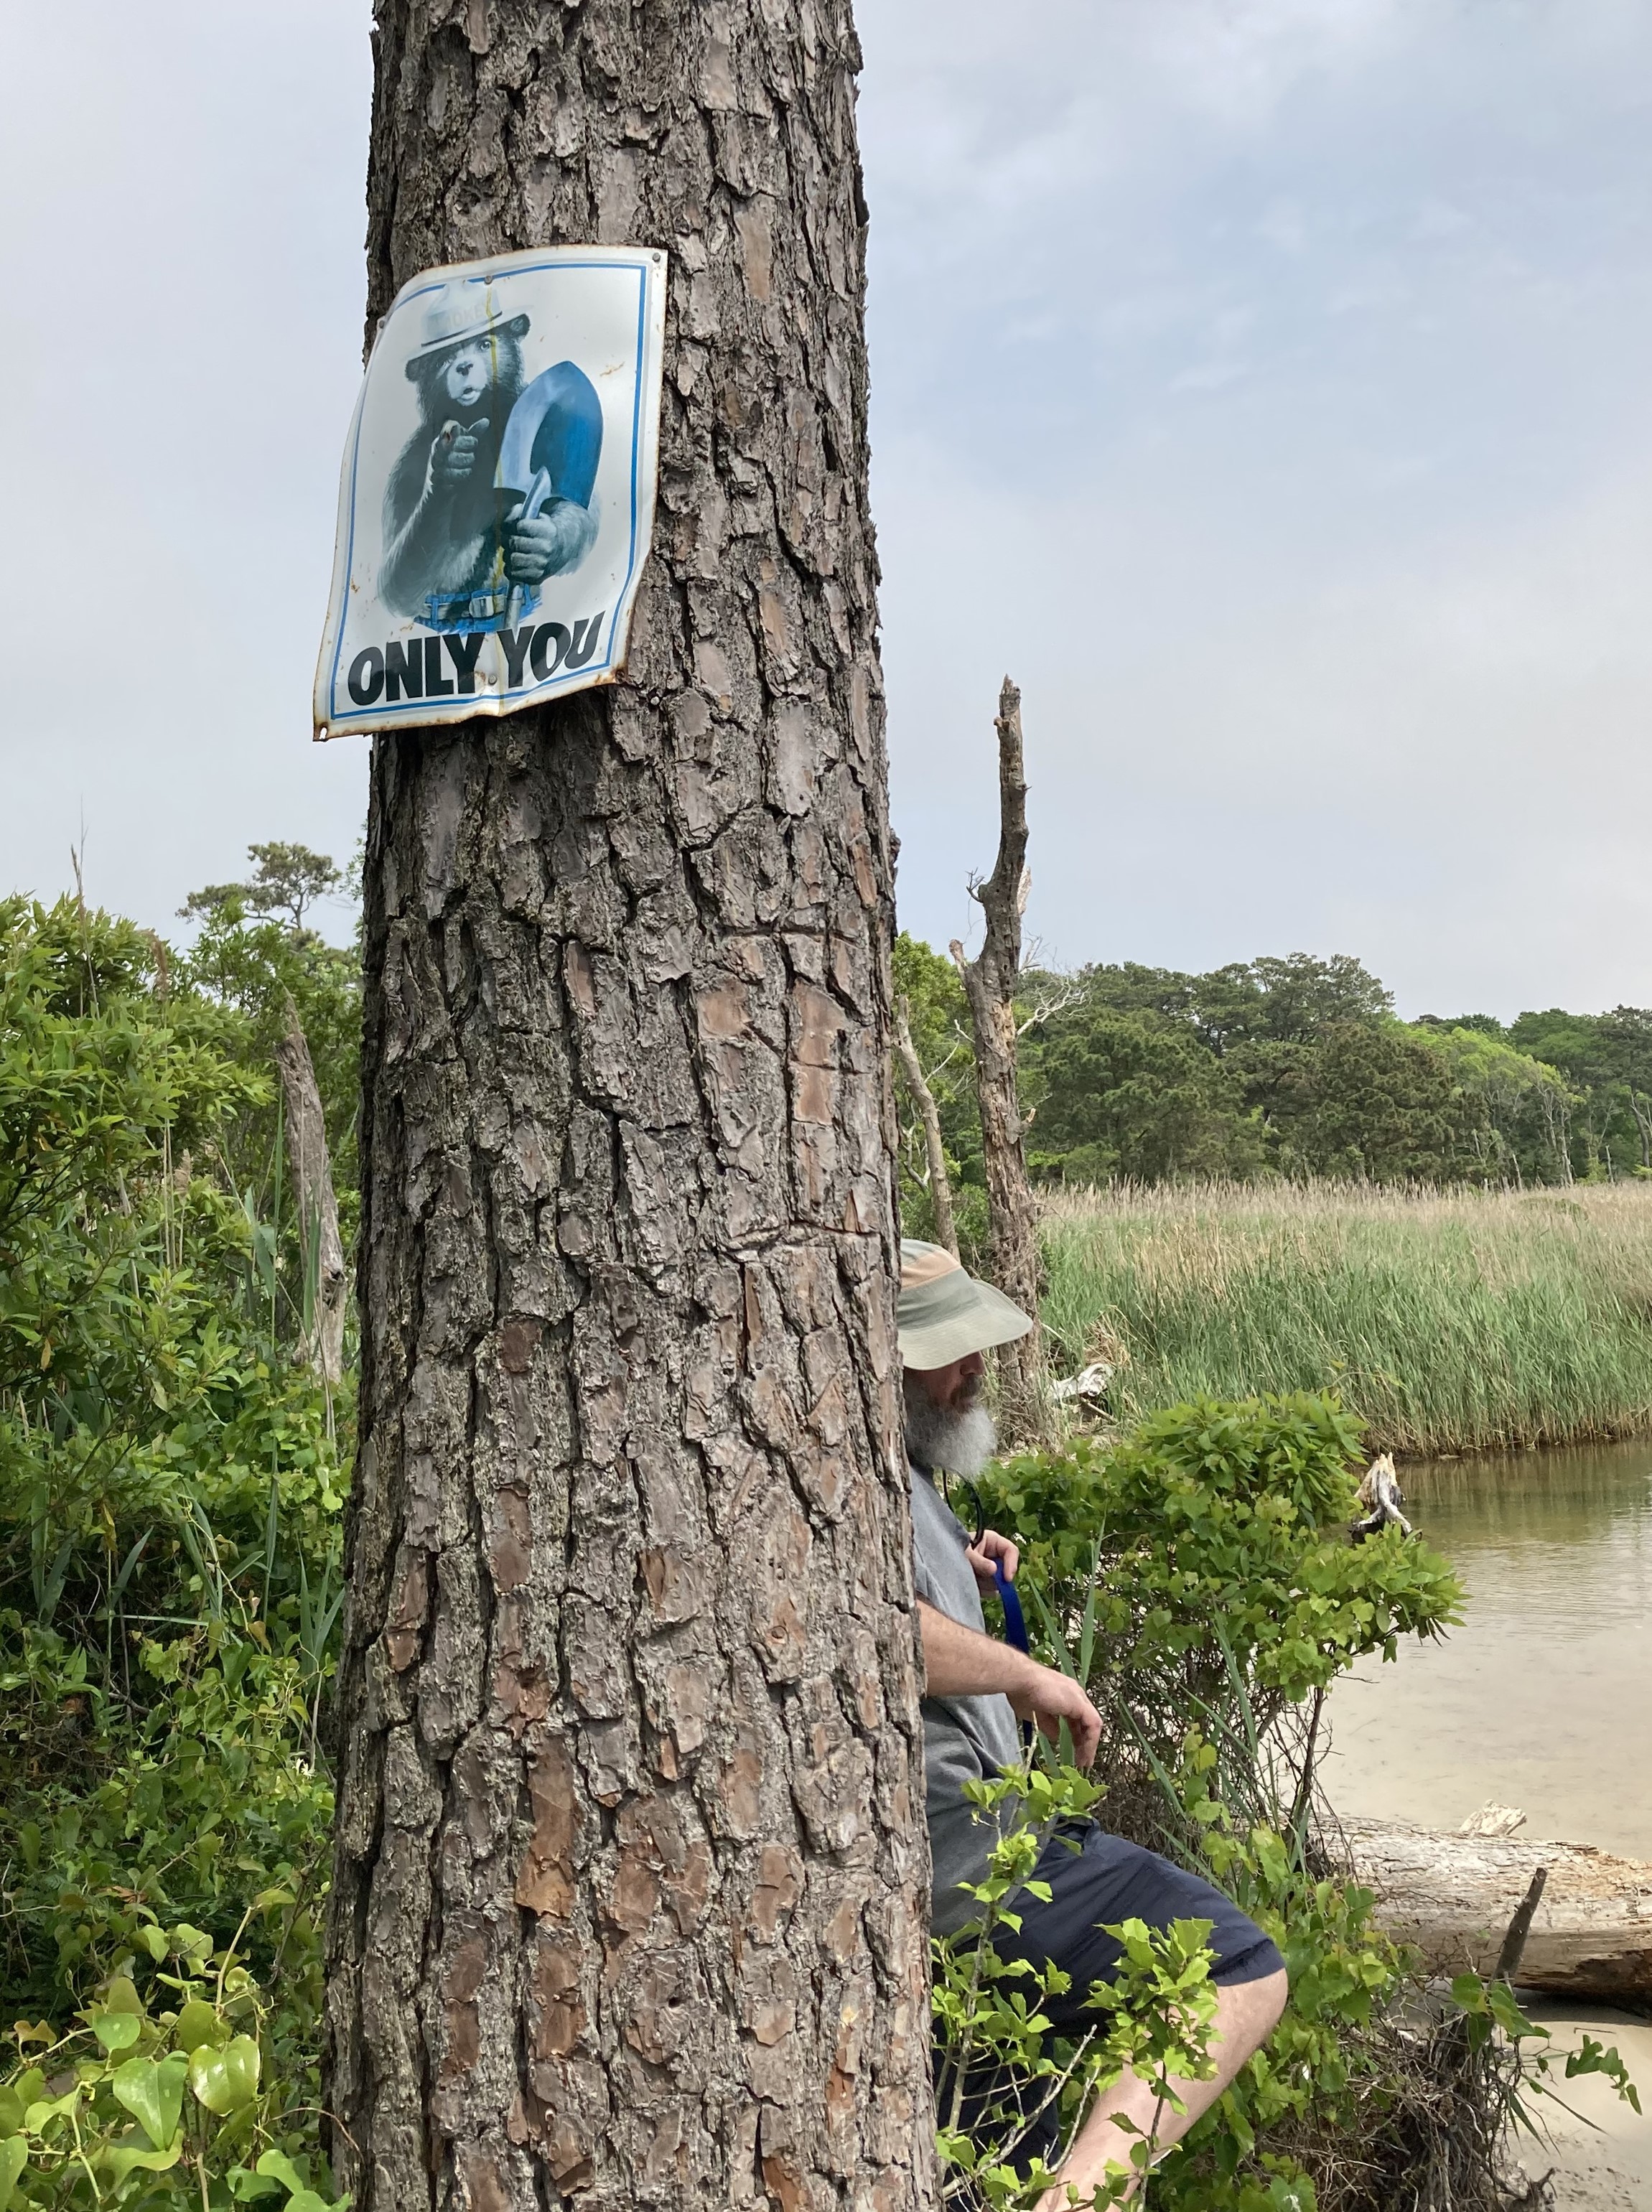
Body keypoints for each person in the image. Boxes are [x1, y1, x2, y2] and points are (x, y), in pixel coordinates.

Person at [900, 1238, 1288, 2205]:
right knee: (1235, 1967)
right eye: (948, 1351)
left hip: (952, 1879)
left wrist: (959, 1565)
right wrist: (1026, 1672)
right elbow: (871, 1629)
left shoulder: (901, 1474)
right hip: (972, 1869)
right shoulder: (847, 1480)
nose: (975, 1367)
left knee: (983, 2164)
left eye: (975, 1344)